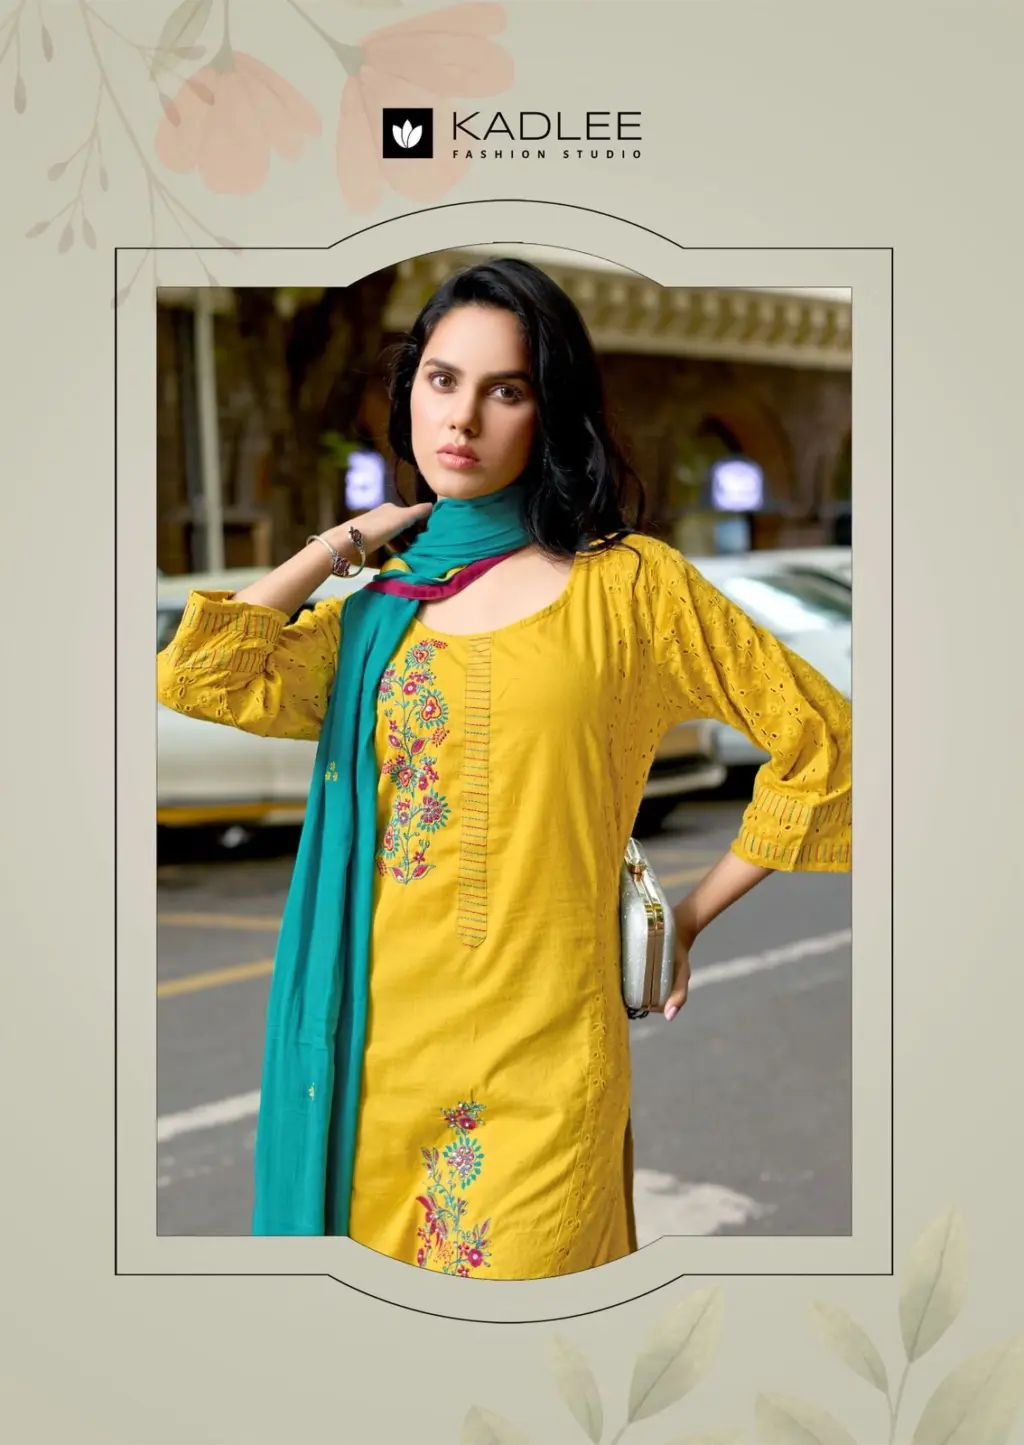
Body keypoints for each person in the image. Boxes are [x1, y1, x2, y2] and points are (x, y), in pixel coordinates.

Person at [157, 258, 852, 1279]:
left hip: (548, 1060)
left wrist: (687, 919)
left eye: (506, 389)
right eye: (441, 380)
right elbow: (201, 674)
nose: (463, 417)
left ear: (548, 410)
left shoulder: (631, 589)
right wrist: (340, 544)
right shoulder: (377, 616)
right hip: (374, 1054)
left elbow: (829, 743)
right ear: (409, 394)